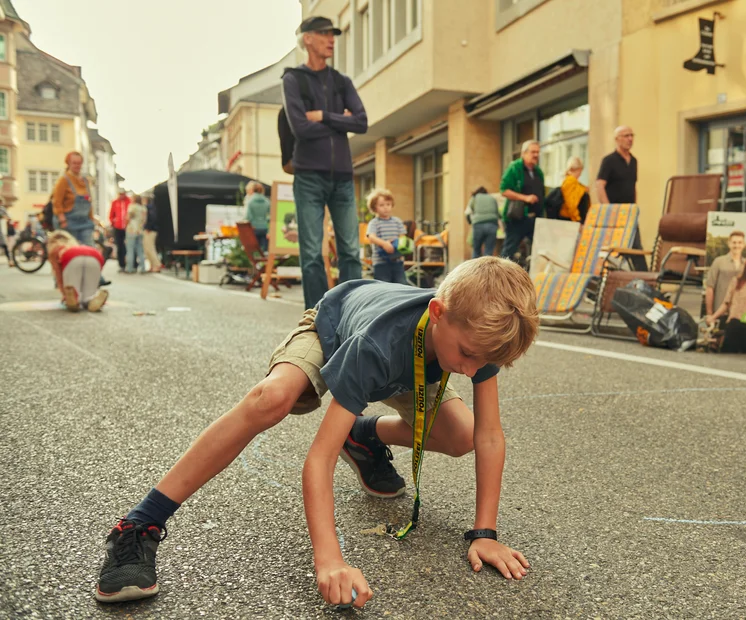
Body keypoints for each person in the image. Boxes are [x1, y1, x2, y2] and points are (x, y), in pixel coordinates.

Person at [94, 257, 539, 609]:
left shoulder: (480, 340)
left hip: (415, 360)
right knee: (272, 399)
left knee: (462, 434)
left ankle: (364, 437)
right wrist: (329, 560)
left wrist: (485, 533)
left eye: (481, 362)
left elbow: (490, 436)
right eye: (466, 355)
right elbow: (319, 459)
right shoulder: (375, 345)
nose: (470, 370)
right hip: (336, 326)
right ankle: (139, 523)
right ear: (438, 313)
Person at [283, 16, 368, 309]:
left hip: (343, 176)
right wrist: (341, 121)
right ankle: (316, 317)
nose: (331, 39)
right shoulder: (293, 79)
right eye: (323, 34)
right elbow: (299, 128)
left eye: (332, 34)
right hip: (308, 177)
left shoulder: (341, 81)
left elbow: (362, 122)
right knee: (310, 254)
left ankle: (350, 311)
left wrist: (324, 116)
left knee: (350, 251)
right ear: (307, 39)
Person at [595, 126, 647, 270]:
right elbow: (599, 185)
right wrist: (608, 209)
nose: (630, 139)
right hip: (614, 214)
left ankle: (648, 284)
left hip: (630, 213)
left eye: (631, 135)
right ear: (617, 139)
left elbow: (632, 186)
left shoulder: (634, 161)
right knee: (614, 250)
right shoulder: (609, 160)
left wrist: (635, 208)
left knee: (636, 248)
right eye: (626, 136)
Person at [500, 140, 544, 262]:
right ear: (524, 153)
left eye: (538, 152)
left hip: (534, 218)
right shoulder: (515, 167)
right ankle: (499, 278)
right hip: (516, 218)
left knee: (540, 249)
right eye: (533, 152)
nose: (536, 155)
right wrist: (525, 198)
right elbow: (503, 190)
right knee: (509, 251)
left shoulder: (538, 171)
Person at [47, 230, 108, 312]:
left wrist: (64, 293)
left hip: (71, 257)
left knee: (74, 291)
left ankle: (73, 299)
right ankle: (92, 298)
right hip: (95, 256)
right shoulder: (75, 245)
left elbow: (59, 274)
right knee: (88, 295)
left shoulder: (55, 249)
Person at [53, 152, 102, 248]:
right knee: (70, 249)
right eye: (74, 163)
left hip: (85, 221)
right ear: (68, 164)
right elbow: (57, 202)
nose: (77, 165)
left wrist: (91, 218)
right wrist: (62, 219)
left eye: (79, 163)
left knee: (89, 248)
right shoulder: (63, 180)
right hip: (68, 221)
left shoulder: (86, 181)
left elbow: (89, 202)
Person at [365, 188, 408, 284]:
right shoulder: (374, 223)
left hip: (397, 261)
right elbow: (371, 237)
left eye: (388, 204)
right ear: (374, 207)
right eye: (381, 205)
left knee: (401, 283)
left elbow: (403, 237)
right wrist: (384, 244)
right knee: (383, 284)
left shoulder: (397, 221)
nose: (385, 207)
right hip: (380, 263)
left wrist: (395, 244)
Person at [704, 231, 746, 317]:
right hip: (719, 312)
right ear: (729, 244)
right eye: (734, 242)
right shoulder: (718, 261)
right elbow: (709, 288)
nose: (737, 245)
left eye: (740, 242)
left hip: (740, 313)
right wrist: (709, 313)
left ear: (743, 244)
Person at [466, 186, 502, 258]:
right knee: (489, 251)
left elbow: (467, 212)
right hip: (492, 225)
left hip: (478, 225)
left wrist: (470, 222)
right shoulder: (492, 198)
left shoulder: (474, 198)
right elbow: (498, 214)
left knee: (476, 250)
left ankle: (476, 268)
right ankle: (487, 269)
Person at [558, 156, 590, 223]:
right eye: (580, 171)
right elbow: (571, 205)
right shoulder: (570, 181)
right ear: (575, 169)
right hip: (572, 221)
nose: (580, 174)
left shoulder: (574, 182)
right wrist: (577, 220)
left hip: (575, 220)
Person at [244, 181, 271, 252]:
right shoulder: (267, 201)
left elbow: (248, 217)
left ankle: (256, 262)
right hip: (265, 227)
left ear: (252, 190)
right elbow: (270, 216)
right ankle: (264, 262)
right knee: (264, 250)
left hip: (254, 228)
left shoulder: (250, 201)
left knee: (255, 250)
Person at [109, 190, 131, 272]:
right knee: (120, 246)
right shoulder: (115, 202)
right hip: (118, 227)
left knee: (129, 246)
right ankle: (122, 264)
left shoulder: (129, 201)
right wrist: (113, 222)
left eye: (123, 194)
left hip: (128, 228)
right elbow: (111, 214)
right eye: (120, 194)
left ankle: (131, 263)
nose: (121, 195)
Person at [125, 196, 147, 274]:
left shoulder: (132, 207)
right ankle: (143, 268)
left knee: (130, 249)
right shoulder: (143, 208)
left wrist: (126, 225)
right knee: (140, 250)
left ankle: (129, 268)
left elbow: (128, 218)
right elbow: (144, 220)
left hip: (131, 230)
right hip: (140, 230)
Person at [143, 196, 162, 273]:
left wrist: (149, 228)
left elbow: (152, 218)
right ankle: (152, 265)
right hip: (150, 229)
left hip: (150, 230)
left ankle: (157, 265)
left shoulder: (149, 208)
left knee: (150, 248)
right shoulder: (150, 207)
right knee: (147, 248)